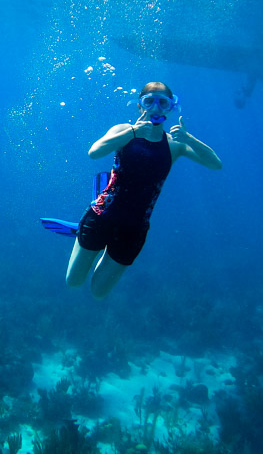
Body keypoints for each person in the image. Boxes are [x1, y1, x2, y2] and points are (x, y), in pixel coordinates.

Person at [65, 82, 222, 299]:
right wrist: (133, 131)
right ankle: (88, 238)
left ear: (170, 107)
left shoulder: (174, 145)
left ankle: (103, 250)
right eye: (149, 102)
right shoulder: (123, 131)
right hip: (101, 216)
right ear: (140, 106)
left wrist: (189, 139)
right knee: (73, 282)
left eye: (162, 102)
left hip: (134, 229)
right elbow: (94, 152)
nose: (155, 108)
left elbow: (215, 164)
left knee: (98, 291)